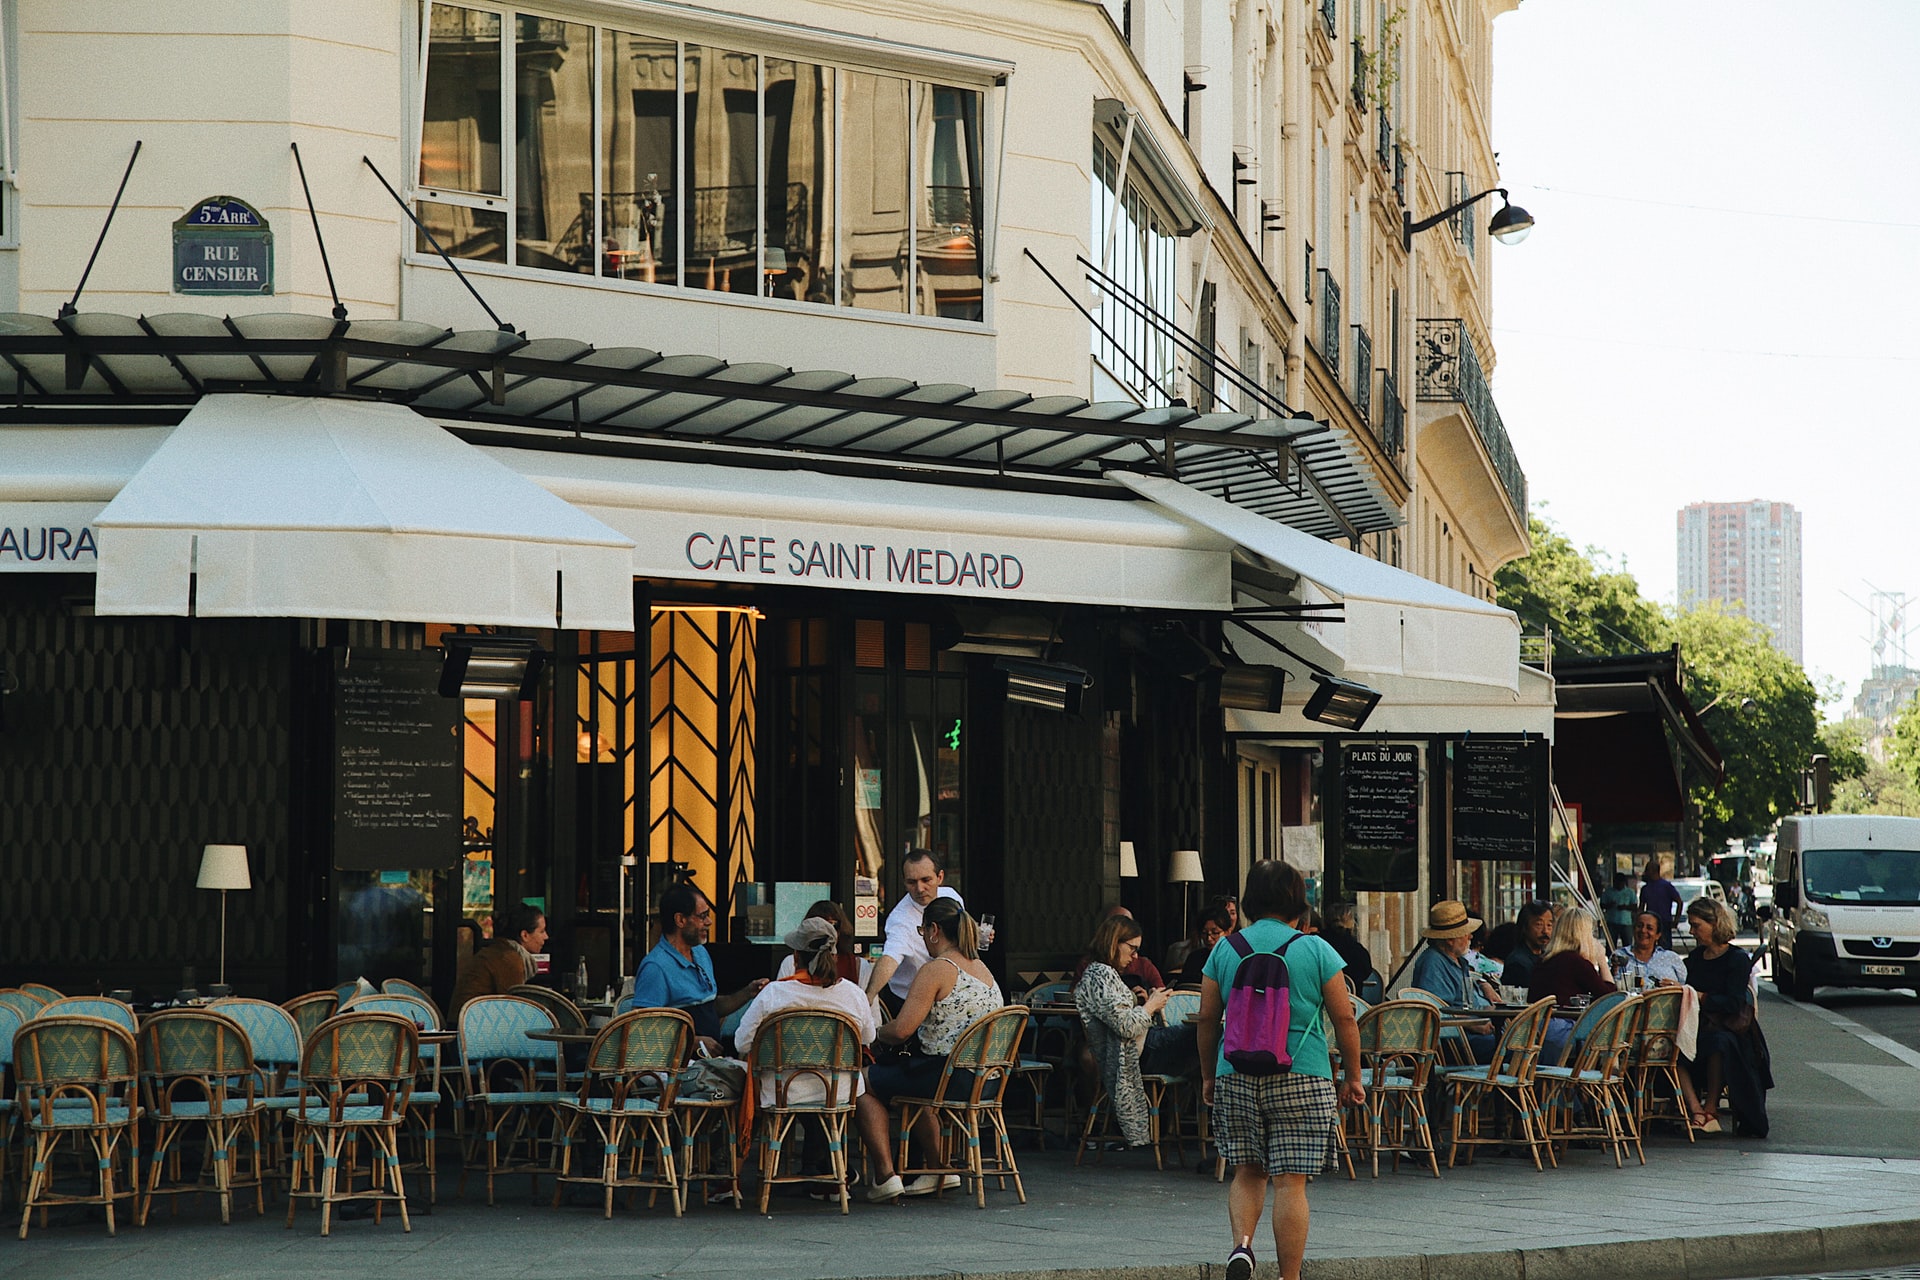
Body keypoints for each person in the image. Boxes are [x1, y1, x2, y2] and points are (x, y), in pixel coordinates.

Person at [1196, 860, 1361, 1280]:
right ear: (1298, 903)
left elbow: (1206, 1018)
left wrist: (1208, 1076)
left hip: (1236, 1072)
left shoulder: (1224, 949)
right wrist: (1353, 1076)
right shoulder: (1316, 949)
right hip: (1303, 1076)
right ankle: (1289, 1278)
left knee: (1247, 1171)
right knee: (1291, 1182)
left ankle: (1242, 1247)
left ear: (1250, 902)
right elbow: (1344, 1019)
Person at [857, 898, 1003, 1201]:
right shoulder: (983, 969)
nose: (922, 937)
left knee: (861, 1081)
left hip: (947, 1078)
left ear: (934, 930)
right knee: (915, 1089)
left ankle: (885, 1176)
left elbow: (901, 1031)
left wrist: (869, 1033)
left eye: (922, 931)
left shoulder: (937, 969)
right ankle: (939, 1168)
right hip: (987, 1080)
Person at [1075, 914, 1198, 1149]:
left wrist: (1140, 1002)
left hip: (1141, 1048)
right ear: (1114, 943)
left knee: (1206, 1038)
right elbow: (1126, 1026)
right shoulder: (1099, 976)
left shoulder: (1103, 974)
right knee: (1205, 1035)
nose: (1135, 957)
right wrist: (1151, 1005)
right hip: (1136, 1054)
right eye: (1132, 949)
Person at [735, 916, 878, 1109]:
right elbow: (868, 1036)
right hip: (839, 1093)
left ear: (795, 956)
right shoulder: (854, 994)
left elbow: (741, 1043)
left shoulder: (773, 993)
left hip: (783, 1093)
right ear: (834, 956)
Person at [632, 885, 768, 1056]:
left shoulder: (700, 952)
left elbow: (711, 1007)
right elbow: (643, 1031)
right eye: (702, 916)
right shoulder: (656, 967)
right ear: (680, 920)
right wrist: (693, 1041)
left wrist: (748, 992)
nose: (709, 922)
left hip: (707, 1061)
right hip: (676, 1068)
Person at [1680, 897, 1772, 1137]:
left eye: (1696, 925)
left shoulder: (1736, 959)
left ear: (1713, 924)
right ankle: (1695, 1108)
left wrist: (1700, 997)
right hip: (1699, 1024)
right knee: (1672, 1043)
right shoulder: (1697, 958)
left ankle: (1711, 1108)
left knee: (1720, 1043)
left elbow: (1733, 1002)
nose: (1692, 932)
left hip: (1731, 1028)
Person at [865, 848, 964, 1017]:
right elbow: (890, 958)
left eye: (926, 880)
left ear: (940, 877)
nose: (919, 888)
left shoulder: (951, 897)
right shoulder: (900, 919)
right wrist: (868, 997)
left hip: (953, 995)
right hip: (910, 1001)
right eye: (911, 882)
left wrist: (975, 932)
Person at [1525, 907, 1615, 1065]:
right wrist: (1602, 960)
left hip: (1535, 1032)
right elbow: (1610, 997)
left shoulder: (1544, 960)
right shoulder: (1576, 962)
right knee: (1613, 1036)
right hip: (1561, 1033)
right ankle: (1606, 1082)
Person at [1409, 900, 1496, 1060]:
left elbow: (1467, 1002)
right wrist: (1474, 1024)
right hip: (1453, 1043)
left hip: (1470, 1036)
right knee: (1514, 1050)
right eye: (1465, 933)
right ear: (1450, 939)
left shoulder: (1458, 961)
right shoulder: (1433, 962)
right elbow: (1434, 1012)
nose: (1470, 937)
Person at [449, 901, 545, 1019]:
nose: (546, 937)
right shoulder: (508, 958)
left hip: (469, 1021)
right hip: (472, 1028)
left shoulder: (499, 951)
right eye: (542, 931)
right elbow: (512, 1010)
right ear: (525, 935)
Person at [775, 899, 874, 987]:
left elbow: (776, 1002)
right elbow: (870, 1007)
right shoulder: (854, 992)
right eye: (816, 925)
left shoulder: (859, 966)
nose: (824, 931)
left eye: (830, 925)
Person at [1072, 905, 1166, 996]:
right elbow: (1116, 1010)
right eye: (1132, 948)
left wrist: (1146, 1000)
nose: (1135, 955)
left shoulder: (1144, 965)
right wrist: (1148, 1005)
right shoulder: (1099, 971)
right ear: (1113, 939)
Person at [1611, 910, 1688, 989]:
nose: (1643, 930)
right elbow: (1609, 985)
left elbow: (1686, 988)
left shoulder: (1671, 957)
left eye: (1649, 928)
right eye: (1639, 926)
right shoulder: (1619, 956)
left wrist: (1676, 987)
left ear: (1658, 935)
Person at [1501, 900, 1554, 988]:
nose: (1545, 931)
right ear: (1524, 927)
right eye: (1539, 924)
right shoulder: (1518, 962)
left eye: (1549, 925)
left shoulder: (1546, 957)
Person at [1177, 906, 1235, 988]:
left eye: (1215, 933)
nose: (1209, 938)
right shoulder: (1194, 958)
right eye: (1204, 933)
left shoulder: (1234, 959)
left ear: (1228, 932)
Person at [1319, 902, 1373, 986]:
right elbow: (1366, 972)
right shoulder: (1357, 951)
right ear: (1351, 923)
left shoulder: (1317, 944)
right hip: (1351, 997)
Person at [1639, 859, 1683, 948]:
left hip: (1664, 921)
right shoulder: (1645, 888)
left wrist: (1676, 920)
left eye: (1648, 870)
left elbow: (1679, 901)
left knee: (1665, 947)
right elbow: (1641, 906)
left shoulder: (1666, 886)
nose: (1646, 873)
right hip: (1649, 922)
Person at [1601, 872, 1638, 949]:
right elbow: (1602, 905)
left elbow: (1635, 907)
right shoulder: (1608, 892)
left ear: (1624, 883)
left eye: (1620, 883)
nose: (1618, 885)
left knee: (1627, 945)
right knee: (1610, 944)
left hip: (1626, 922)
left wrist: (1625, 907)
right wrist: (1610, 905)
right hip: (1612, 921)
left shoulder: (1630, 892)